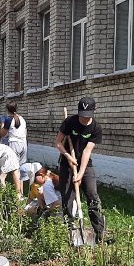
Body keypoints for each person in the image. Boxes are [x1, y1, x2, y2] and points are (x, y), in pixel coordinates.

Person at [55, 97, 105, 243]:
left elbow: (86, 152)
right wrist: (68, 157)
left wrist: (81, 173)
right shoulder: (70, 122)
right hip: (66, 163)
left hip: (85, 164)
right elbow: (58, 142)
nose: (84, 119)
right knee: (68, 197)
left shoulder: (96, 128)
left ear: (94, 111)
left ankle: (99, 233)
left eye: (87, 116)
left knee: (92, 195)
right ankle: (70, 231)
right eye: (82, 115)